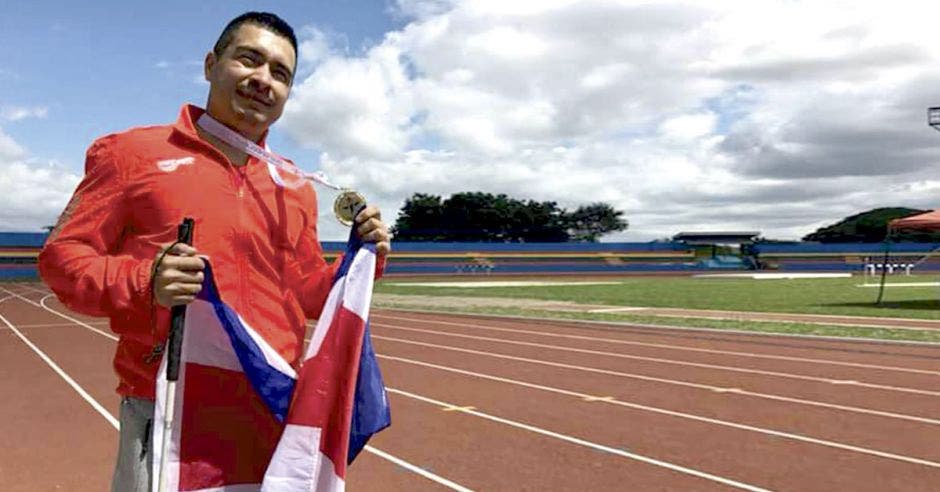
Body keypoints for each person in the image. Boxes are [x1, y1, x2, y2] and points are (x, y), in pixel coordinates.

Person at [37, 12, 390, 491]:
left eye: (280, 74)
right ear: (210, 64)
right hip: (170, 404)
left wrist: (360, 262)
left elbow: (307, 295)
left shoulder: (292, 185)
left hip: (268, 401)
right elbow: (63, 258)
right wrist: (145, 282)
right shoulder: (132, 154)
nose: (263, 80)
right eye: (250, 59)